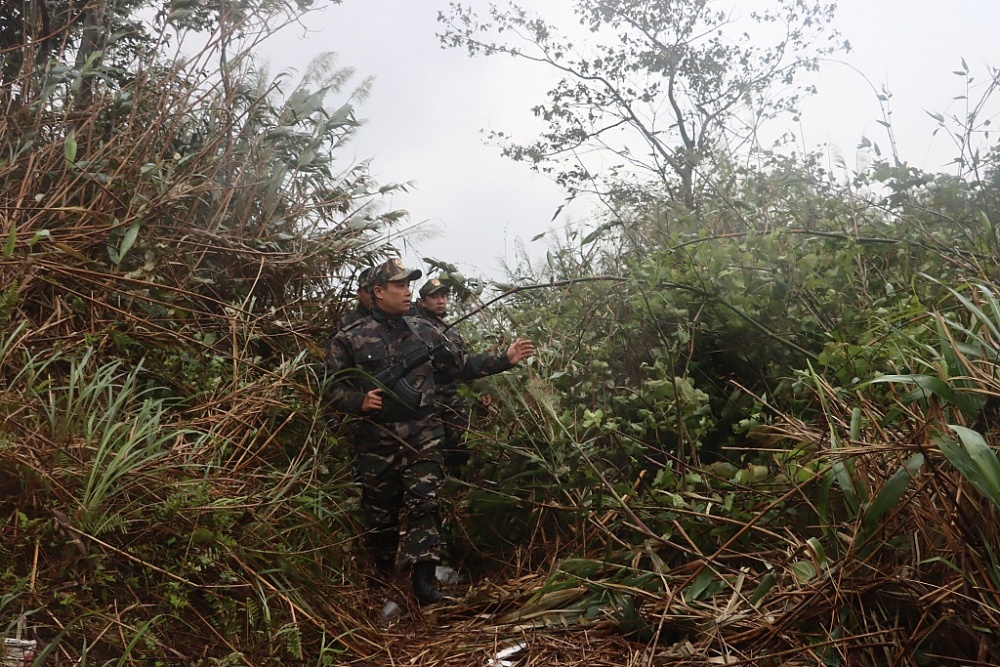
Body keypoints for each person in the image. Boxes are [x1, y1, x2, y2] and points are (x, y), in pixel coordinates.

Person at [325, 259, 535, 605]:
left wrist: (503, 359)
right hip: (376, 440)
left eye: (409, 285)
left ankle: (424, 585)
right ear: (378, 292)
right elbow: (330, 387)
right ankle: (380, 578)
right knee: (381, 514)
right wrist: (357, 401)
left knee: (425, 503)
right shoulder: (349, 339)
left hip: (424, 433)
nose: (408, 291)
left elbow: (461, 364)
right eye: (400, 286)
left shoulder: (425, 330)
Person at [414, 278, 481, 474]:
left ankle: (458, 484)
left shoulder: (451, 329)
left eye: (443, 296)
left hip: (450, 395)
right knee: (431, 446)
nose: (441, 301)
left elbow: (463, 363)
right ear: (422, 301)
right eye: (434, 297)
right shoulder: (415, 326)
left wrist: (477, 388)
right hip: (425, 397)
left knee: (461, 441)